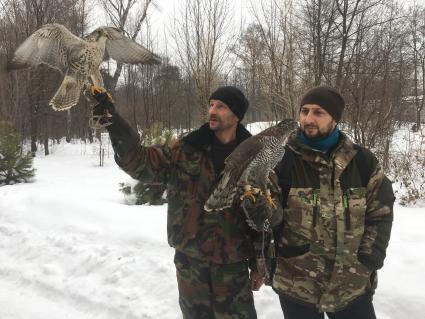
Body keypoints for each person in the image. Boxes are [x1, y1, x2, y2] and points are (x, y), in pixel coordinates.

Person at [88, 85, 281, 318]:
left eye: (221, 106)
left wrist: (259, 264)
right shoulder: (186, 148)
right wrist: (115, 124)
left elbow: (271, 213)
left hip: (232, 264)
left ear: (237, 115)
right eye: (211, 105)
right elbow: (141, 162)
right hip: (191, 263)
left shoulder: (256, 156)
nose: (212, 110)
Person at [272, 86, 394, 319]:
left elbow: (381, 211)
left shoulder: (362, 162)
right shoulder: (283, 160)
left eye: (318, 112)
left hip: (352, 284)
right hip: (297, 285)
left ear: (334, 118)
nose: (308, 118)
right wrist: (258, 208)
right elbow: (270, 218)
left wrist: (370, 255)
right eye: (304, 111)